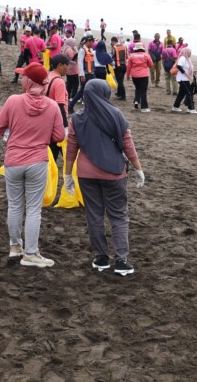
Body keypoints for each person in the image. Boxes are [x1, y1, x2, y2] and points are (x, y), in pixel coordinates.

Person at [67, 78, 144, 275]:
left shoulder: (76, 118)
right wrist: (138, 169)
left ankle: (101, 258)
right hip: (114, 173)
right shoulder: (116, 114)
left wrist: (67, 175)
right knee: (118, 215)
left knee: (94, 215)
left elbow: (71, 150)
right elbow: (128, 145)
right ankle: (121, 261)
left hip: (85, 174)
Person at [0, 63, 66, 269]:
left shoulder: (13, 101)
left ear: (28, 82)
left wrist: (12, 134)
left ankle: (15, 247)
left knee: (15, 205)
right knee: (34, 209)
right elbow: (59, 136)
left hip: (14, 160)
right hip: (37, 161)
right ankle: (31, 253)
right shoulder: (52, 106)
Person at [126, 42, 152, 112]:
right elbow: (151, 65)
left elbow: (128, 67)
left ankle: (136, 101)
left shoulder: (131, 55)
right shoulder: (146, 55)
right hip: (143, 75)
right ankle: (144, 107)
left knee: (137, 88)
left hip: (134, 75)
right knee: (143, 91)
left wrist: (128, 75)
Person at [171, 47, 196, 114]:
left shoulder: (187, 59)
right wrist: (185, 73)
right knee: (189, 92)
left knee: (181, 93)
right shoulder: (183, 58)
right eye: (189, 52)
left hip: (186, 79)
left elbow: (188, 68)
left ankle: (175, 107)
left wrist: (191, 73)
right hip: (182, 79)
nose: (190, 53)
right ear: (186, 52)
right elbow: (179, 66)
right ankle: (191, 108)